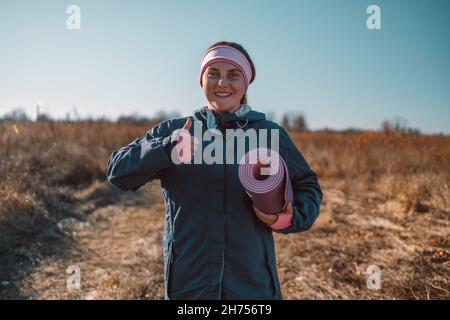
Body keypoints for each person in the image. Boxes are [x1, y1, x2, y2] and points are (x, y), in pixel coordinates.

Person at [107, 41, 323, 300]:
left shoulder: (269, 133)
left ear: (245, 85)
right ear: (202, 81)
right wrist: (166, 149)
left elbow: (307, 185)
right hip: (189, 284)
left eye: (233, 75)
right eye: (213, 73)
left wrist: (288, 218)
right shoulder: (177, 131)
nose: (222, 83)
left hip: (252, 285)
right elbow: (118, 171)